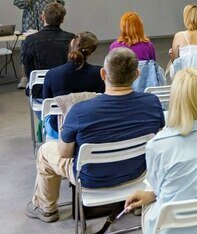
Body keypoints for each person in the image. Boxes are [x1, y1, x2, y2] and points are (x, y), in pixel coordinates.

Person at [26, 48, 165, 223]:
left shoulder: (79, 111)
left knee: (46, 151)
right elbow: (159, 139)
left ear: (103, 74)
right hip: (137, 173)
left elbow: (64, 153)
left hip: (90, 179)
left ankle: (46, 208)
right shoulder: (152, 103)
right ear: (137, 74)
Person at [124, 68, 197, 233]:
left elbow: (160, 187)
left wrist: (151, 195)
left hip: (175, 228)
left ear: (175, 100)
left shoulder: (158, 145)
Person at [41, 31, 105, 140]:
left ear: (72, 45)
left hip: (59, 128)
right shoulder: (100, 73)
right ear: (91, 52)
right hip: (91, 127)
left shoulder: (52, 74)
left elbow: (46, 102)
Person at [20, 2, 75, 88]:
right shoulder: (71, 38)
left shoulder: (30, 40)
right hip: (66, 87)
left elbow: (28, 69)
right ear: (63, 19)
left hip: (40, 89)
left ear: (43, 17)